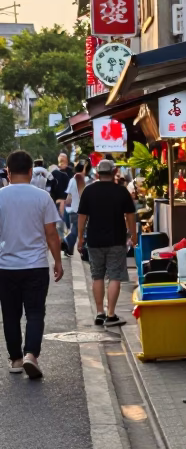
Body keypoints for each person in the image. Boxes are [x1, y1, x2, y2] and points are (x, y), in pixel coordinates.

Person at [0, 149, 64, 379]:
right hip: (36, 265)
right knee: (35, 312)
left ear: (8, 171)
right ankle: (31, 355)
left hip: (5, 267)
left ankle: (16, 358)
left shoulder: (1, 196)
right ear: (30, 171)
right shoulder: (42, 197)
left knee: (10, 314)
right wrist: (57, 261)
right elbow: (51, 234)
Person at [76, 159, 137, 327]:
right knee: (115, 276)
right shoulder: (121, 191)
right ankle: (111, 314)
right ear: (114, 171)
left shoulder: (89, 191)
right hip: (116, 240)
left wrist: (80, 237)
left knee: (97, 276)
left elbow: (82, 216)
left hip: (95, 240)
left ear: (97, 173)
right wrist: (134, 235)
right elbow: (130, 216)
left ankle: (99, 313)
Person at [61, 161, 87, 255]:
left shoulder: (73, 179)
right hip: (78, 209)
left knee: (76, 230)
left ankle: (69, 249)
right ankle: (66, 241)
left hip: (73, 209)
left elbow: (69, 195)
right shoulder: (82, 179)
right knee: (76, 230)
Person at [48, 152, 74, 224]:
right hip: (58, 202)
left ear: (67, 161)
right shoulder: (54, 172)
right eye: (61, 160)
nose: (62, 162)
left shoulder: (70, 172)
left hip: (67, 203)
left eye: (63, 160)